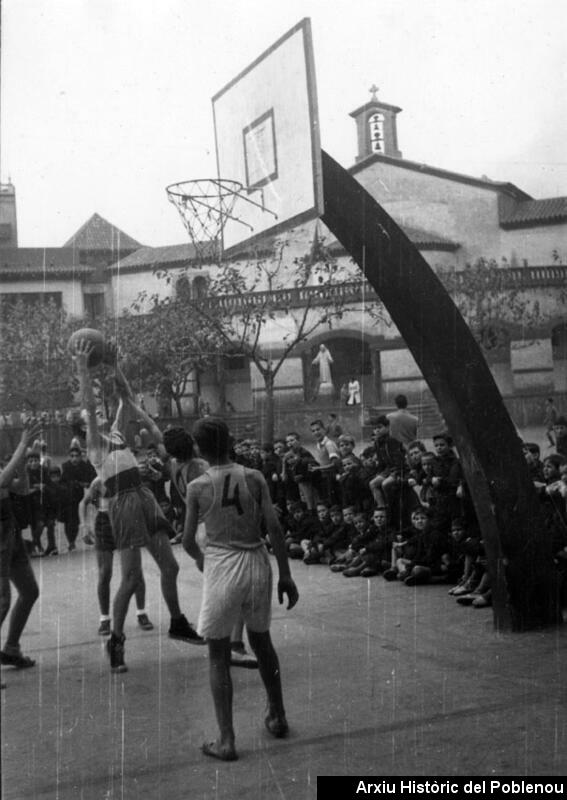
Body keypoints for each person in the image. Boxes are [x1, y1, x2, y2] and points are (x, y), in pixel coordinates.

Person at [72, 339, 204, 673]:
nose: (99, 413)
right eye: (93, 414)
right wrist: (81, 368)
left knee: (170, 567)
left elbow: (127, 397)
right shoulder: (93, 444)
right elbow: (88, 401)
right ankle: (115, 640)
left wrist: (115, 364)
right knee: (130, 579)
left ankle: (177, 622)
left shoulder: (117, 434)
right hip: (122, 504)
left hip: (143, 497)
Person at [182, 417, 299, 761]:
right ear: (231, 440)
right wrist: (286, 575)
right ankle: (277, 716)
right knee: (262, 642)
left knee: (217, 655)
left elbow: (188, 540)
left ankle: (227, 739)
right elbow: (275, 529)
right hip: (257, 560)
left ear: (199, 449)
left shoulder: (197, 486)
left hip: (222, 563)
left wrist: (203, 560)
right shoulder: (255, 476)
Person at [162, 426, 257, 669]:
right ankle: (234, 646)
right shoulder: (202, 468)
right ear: (192, 445)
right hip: (215, 526)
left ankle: (231, 644)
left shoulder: (175, 466)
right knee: (236, 588)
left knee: (227, 589)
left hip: (201, 530)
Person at [79, 477, 154, 636]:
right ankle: (104, 618)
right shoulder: (99, 481)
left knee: (135, 572)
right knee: (105, 572)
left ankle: (141, 612)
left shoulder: (128, 476)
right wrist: (84, 525)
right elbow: (83, 503)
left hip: (125, 521)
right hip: (104, 524)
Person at [0, 420, 42, 682]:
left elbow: (20, 487)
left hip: (9, 532)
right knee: (2, 600)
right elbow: (3, 480)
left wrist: (25, 459)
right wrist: (23, 445)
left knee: (29, 591)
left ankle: (11, 648)